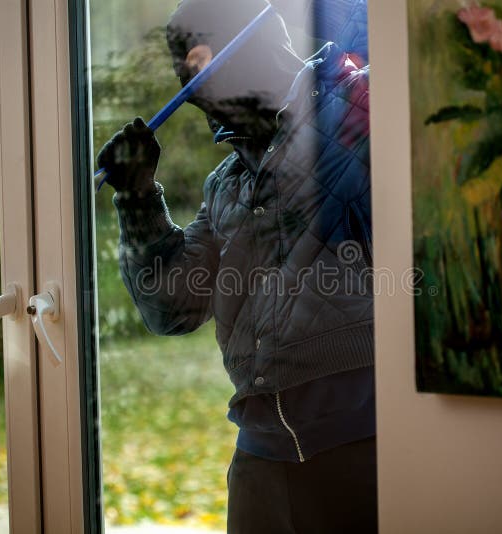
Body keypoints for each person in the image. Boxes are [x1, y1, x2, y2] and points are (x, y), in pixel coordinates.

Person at [97, 1, 374, 532]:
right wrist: (137, 201)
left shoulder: (355, 109)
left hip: (363, 439)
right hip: (260, 458)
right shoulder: (226, 184)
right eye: (183, 76)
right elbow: (173, 309)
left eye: (198, 63)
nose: (192, 90)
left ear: (258, 39)